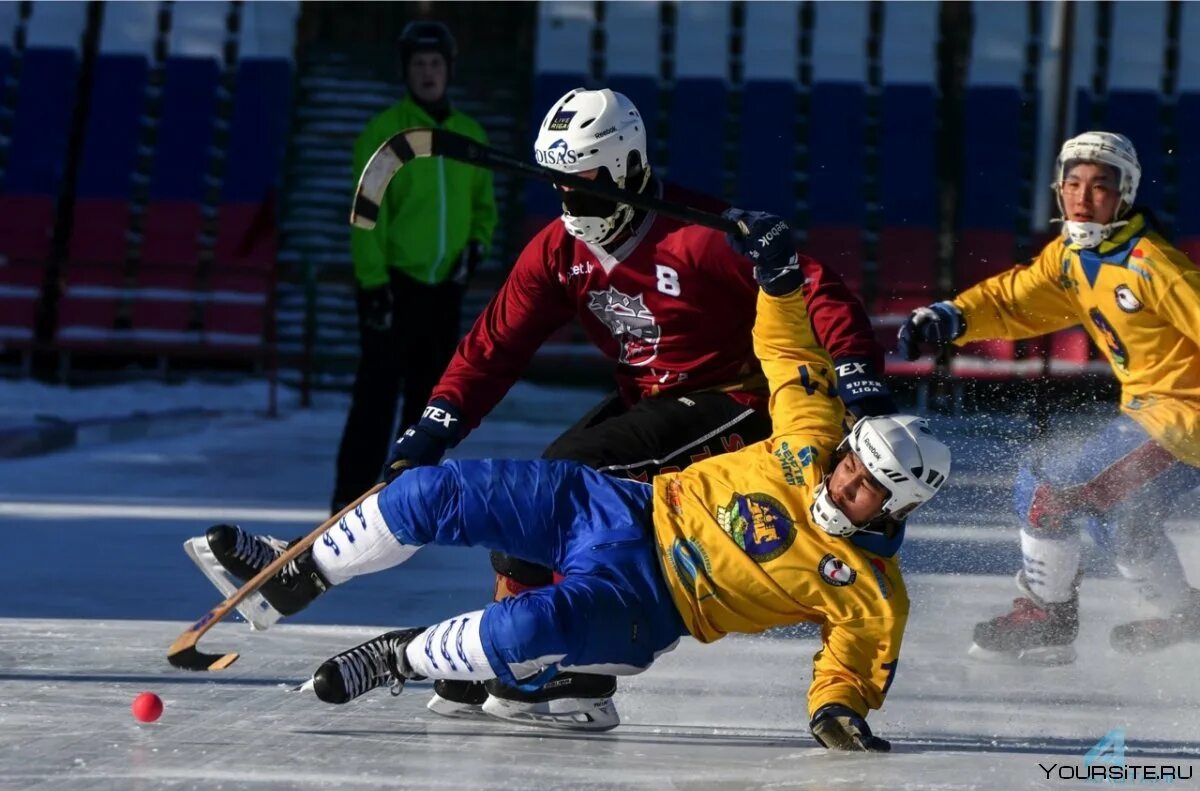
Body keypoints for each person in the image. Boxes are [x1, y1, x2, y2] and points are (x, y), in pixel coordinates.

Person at [191, 88, 896, 730]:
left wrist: (861, 383)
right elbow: (496, 342)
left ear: (626, 169)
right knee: (527, 509)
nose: (569, 204)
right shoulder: (561, 250)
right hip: (653, 402)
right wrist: (438, 421)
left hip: (739, 409)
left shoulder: (700, 236)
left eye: (584, 187)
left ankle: (537, 667)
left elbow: (817, 289)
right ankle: (349, 589)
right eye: (557, 183)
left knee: (566, 478)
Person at [898, 131, 1200, 664]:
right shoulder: (1070, 257)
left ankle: (1048, 614)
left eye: (1101, 186)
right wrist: (954, 316)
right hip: (1150, 417)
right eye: (1073, 183)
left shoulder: (1153, 265)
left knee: (1050, 486)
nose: (1083, 197)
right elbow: (1017, 300)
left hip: (1181, 422)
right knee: (1123, 520)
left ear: (1125, 194)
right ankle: (1186, 614)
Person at [330, 20, 497, 512]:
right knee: (374, 405)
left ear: (448, 70)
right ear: (406, 71)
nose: (428, 73)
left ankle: (406, 508)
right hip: (393, 289)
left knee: (427, 408)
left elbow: (484, 207)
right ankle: (347, 506)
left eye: (435, 64)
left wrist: (476, 248)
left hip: (443, 290)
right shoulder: (384, 133)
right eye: (419, 64)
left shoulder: (469, 135)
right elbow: (366, 219)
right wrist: (372, 285)